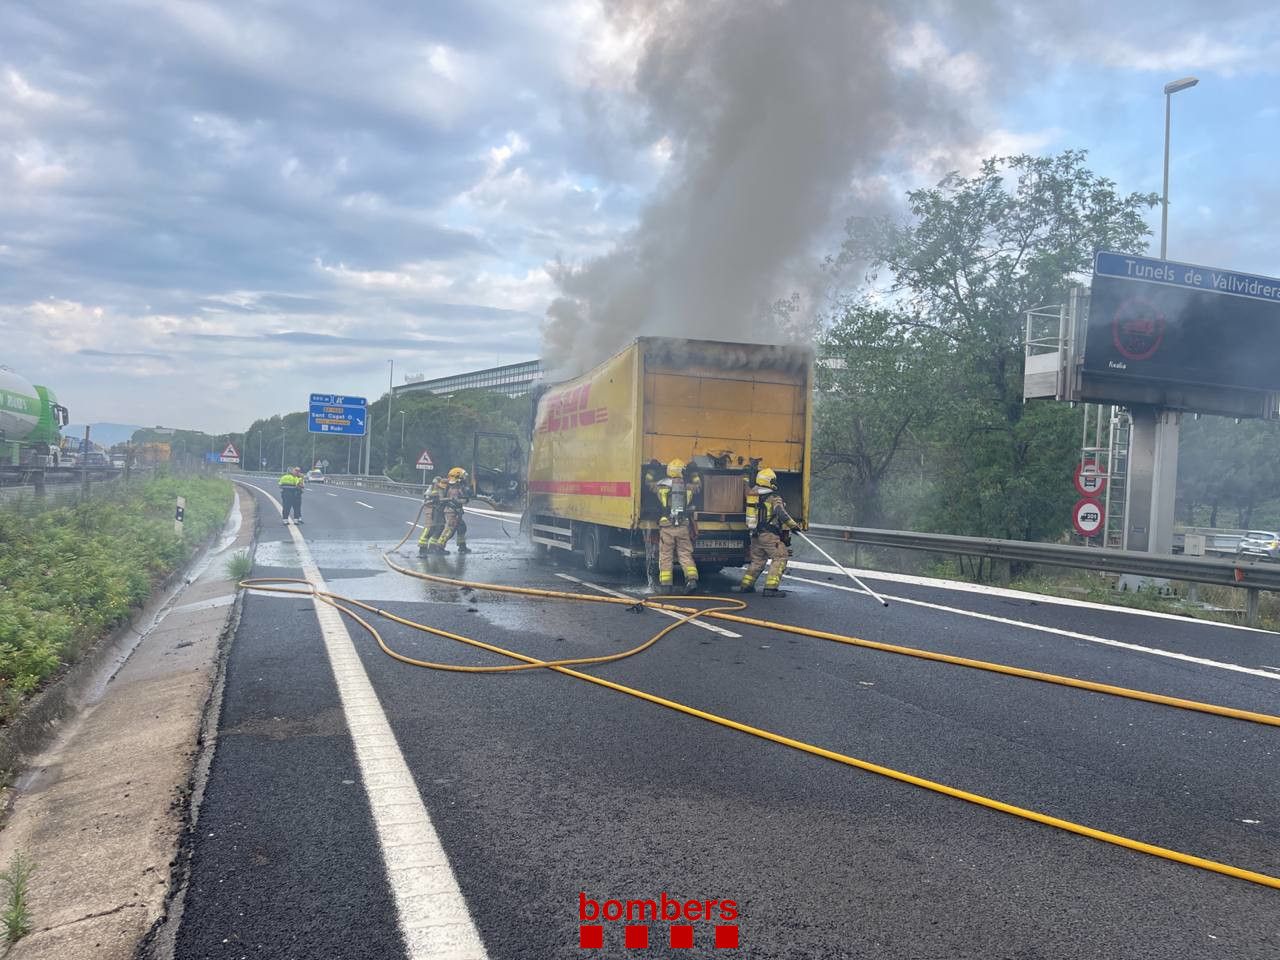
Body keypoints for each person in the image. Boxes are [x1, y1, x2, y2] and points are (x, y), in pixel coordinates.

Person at [733, 467, 797, 597]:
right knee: (780, 557)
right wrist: (793, 526)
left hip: (756, 535)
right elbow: (781, 513)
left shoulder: (752, 494)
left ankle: (746, 586)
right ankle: (770, 588)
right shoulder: (774, 498)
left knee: (757, 560)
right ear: (770, 481)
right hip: (769, 535)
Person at [645, 458, 700, 593]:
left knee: (666, 555)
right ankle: (691, 580)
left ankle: (666, 585)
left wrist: (652, 470)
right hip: (682, 526)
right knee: (685, 554)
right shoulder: (688, 487)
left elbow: (647, 483)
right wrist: (694, 473)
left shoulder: (660, 485)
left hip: (667, 526)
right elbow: (699, 486)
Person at [427, 467, 471, 553]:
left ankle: (462, 546)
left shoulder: (456, 487)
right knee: (449, 530)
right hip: (452, 512)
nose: (464, 480)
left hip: (456, 512)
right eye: (462, 477)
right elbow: (456, 500)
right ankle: (440, 547)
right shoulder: (453, 488)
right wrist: (464, 499)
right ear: (457, 477)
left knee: (462, 527)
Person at [418, 475, 450, 556]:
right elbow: (432, 498)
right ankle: (422, 548)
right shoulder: (432, 490)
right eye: (437, 483)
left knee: (438, 527)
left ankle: (432, 547)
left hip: (436, 510)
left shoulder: (439, 489)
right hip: (431, 510)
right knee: (429, 528)